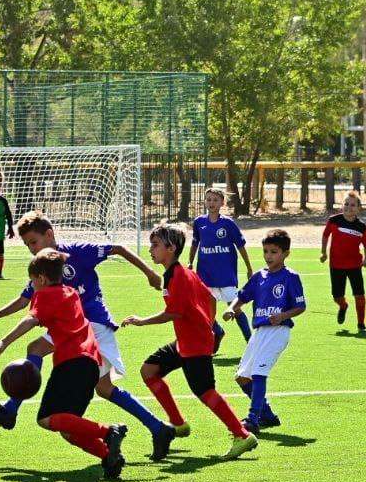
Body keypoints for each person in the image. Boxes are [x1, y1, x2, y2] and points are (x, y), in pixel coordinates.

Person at [0, 211, 174, 456]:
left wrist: (150, 273)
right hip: (75, 330)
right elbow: (24, 300)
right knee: (102, 387)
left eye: (34, 242)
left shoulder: (76, 252)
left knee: (42, 353)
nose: (31, 249)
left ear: (49, 234)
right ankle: (157, 427)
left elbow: (118, 248)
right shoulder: (44, 268)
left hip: (93, 325)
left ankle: (11, 411)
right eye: (27, 245)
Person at [0, 249, 128, 480]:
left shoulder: (45, 295)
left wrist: (3, 342)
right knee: (68, 430)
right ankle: (109, 457)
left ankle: (108, 431)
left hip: (72, 363)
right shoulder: (70, 292)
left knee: (46, 419)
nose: (33, 286)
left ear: (41, 279)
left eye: (32, 281)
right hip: (90, 363)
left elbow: (30, 319)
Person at [123, 223, 259, 461]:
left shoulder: (178, 276)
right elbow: (210, 298)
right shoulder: (181, 272)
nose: (150, 250)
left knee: (205, 391)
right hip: (185, 341)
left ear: (171, 248)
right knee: (149, 370)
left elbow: (174, 312)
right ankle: (178, 424)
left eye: (155, 245)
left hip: (194, 344)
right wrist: (209, 325)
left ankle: (241, 434)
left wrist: (142, 321)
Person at [226, 229, 306, 434]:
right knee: (242, 377)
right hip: (260, 331)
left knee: (258, 373)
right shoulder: (259, 276)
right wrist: (231, 308)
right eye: (266, 251)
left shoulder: (290, 277)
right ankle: (268, 416)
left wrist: (283, 315)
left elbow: (301, 306)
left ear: (285, 254)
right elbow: (242, 296)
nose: (268, 256)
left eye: (274, 252)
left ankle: (253, 419)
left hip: (278, 331)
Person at [187, 188, 254, 345]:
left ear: (222, 203)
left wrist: (249, 267)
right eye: (209, 199)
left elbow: (241, 245)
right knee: (205, 308)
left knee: (235, 308)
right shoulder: (199, 222)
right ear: (204, 201)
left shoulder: (228, 224)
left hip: (225, 274)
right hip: (205, 274)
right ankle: (216, 332)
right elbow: (195, 243)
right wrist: (190, 261)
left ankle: (250, 341)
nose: (211, 203)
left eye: (215, 200)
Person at [320, 191, 366, 332]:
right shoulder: (333, 220)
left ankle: (361, 325)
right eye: (346, 204)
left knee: (359, 295)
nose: (349, 207)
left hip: (355, 266)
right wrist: (323, 252)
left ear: (358, 209)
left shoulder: (361, 227)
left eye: (353, 205)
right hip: (336, 265)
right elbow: (325, 235)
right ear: (342, 205)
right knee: (337, 296)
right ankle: (343, 306)